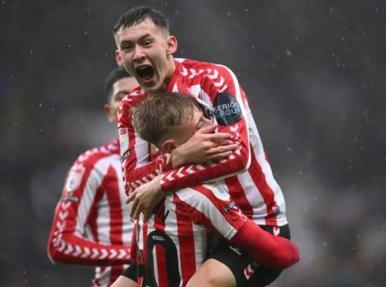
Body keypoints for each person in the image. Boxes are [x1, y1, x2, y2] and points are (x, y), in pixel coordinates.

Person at [114, 6, 293, 287]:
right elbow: (134, 186)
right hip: (183, 230)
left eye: (147, 42)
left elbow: (237, 155)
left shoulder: (213, 79)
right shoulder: (130, 107)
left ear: (170, 44)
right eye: (128, 47)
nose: (138, 54)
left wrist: (162, 181)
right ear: (119, 57)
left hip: (251, 224)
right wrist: (179, 156)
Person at [111, 92, 298, 287]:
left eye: (206, 116)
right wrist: (292, 251)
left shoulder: (142, 194)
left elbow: (139, 260)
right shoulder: (201, 196)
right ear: (170, 147)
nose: (213, 126)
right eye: (200, 125)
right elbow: (281, 254)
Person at [47, 66, 138, 287]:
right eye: (122, 97)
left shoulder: (178, 159)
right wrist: (133, 254)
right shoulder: (92, 165)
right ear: (110, 112)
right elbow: (59, 243)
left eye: (140, 94)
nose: (131, 103)